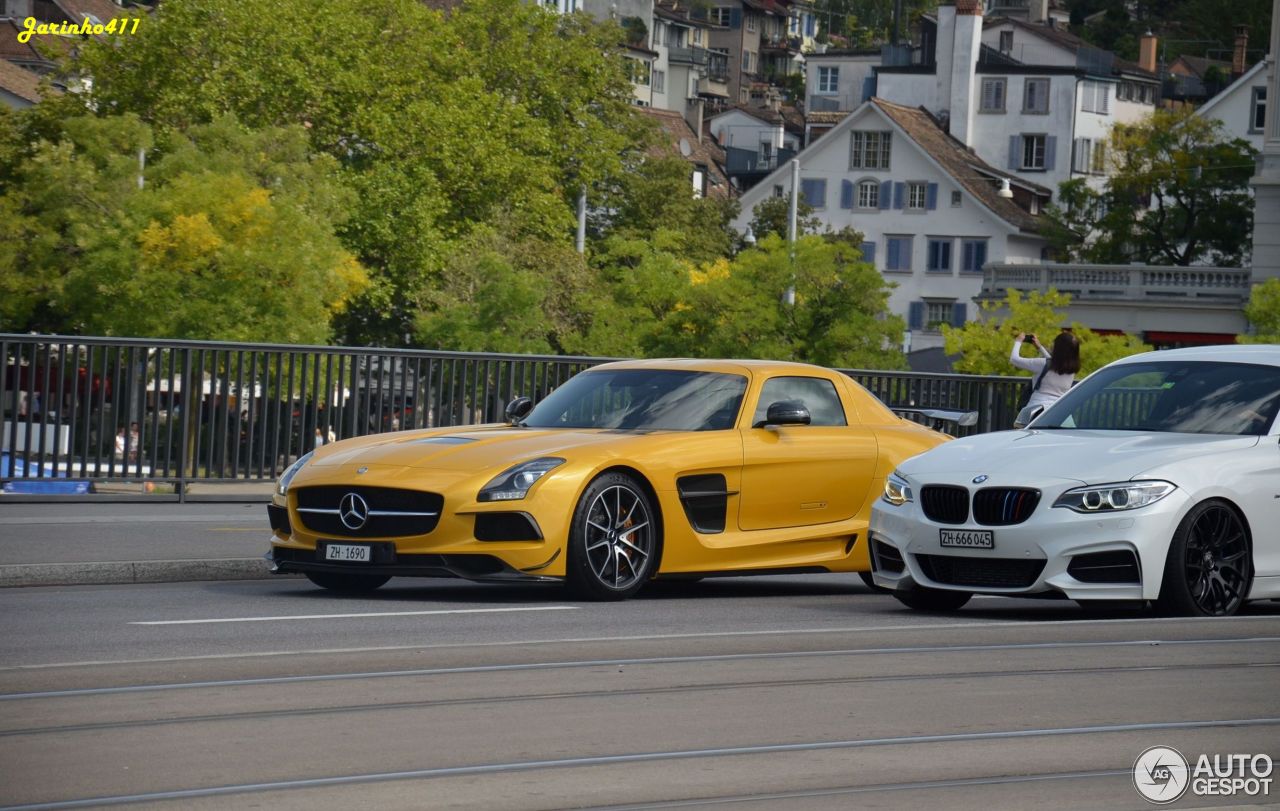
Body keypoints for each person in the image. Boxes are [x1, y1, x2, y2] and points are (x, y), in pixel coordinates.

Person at [1011, 330, 1081, 414]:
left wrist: (1018, 341)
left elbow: (1014, 360)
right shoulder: (1071, 369)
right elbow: (1052, 363)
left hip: (1037, 410)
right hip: (1058, 411)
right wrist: (1039, 347)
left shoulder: (1043, 364)